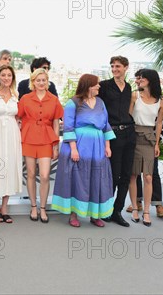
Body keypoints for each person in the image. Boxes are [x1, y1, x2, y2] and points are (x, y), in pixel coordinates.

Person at [53, 74, 115, 227]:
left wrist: (107, 146)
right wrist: (73, 149)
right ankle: (74, 214)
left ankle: (95, 214)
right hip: (79, 145)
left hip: (98, 146)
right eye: (96, 84)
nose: (99, 86)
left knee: (97, 178)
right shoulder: (73, 103)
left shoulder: (100, 102)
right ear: (88, 85)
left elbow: (106, 124)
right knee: (78, 178)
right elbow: (68, 126)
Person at [18, 68, 63, 223]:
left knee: (44, 175)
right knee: (30, 173)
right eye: (38, 80)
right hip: (29, 137)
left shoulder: (54, 99)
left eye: (44, 80)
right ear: (33, 82)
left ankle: (42, 207)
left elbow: (56, 122)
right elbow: (18, 117)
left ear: (47, 81)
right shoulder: (25, 98)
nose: (41, 83)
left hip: (46, 138)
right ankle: (33, 206)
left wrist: (56, 144)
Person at [127, 69, 163, 227]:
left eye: (142, 78)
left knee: (149, 176)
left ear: (150, 80)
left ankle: (146, 212)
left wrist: (157, 143)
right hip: (134, 135)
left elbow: (159, 123)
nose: (138, 81)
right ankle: (135, 209)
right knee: (133, 174)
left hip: (149, 138)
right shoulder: (134, 96)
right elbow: (129, 116)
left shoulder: (162, 101)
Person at [97, 55, 133, 227]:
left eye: (118, 66)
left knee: (126, 174)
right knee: (113, 174)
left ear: (126, 67)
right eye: (112, 66)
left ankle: (118, 210)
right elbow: (98, 109)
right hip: (112, 134)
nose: (114, 69)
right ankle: (106, 209)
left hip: (129, 133)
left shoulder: (128, 88)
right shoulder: (104, 86)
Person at [0, 65, 22, 223]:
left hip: (12, 133)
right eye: (4, 75)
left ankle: (5, 207)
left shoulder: (16, 94)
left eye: (9, 75)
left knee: (9, 167)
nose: (7, 78)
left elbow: (18, 115)